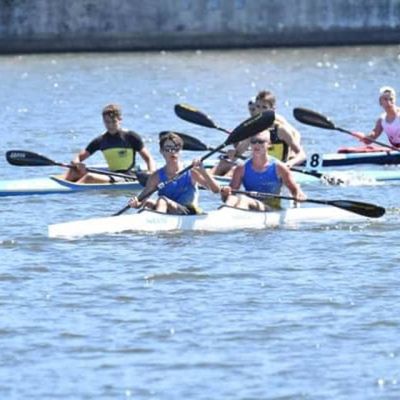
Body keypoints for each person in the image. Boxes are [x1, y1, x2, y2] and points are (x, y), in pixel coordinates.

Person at [212, 90, 306, 176]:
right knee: (223, 163)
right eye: (257, 107)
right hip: (257, 168)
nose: (260, 111)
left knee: (235, 171)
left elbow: (302, 155)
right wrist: (232, 155)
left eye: (264, 107)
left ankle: (218, 183)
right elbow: (239, 152)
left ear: (272, 109)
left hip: (275, 170)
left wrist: (290, 163)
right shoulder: (253, 129)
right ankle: (207, 181)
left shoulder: (280, 130)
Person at [128, 132, 220, 215]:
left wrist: (203, 172)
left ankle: (158, 223)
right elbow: (140, 201)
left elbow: (216, 190)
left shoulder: (192, 172)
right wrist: (135, 203)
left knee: (162, 200)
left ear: (181, 151)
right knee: (148, 202)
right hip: (169, 210)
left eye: (176, 148)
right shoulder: (156, 177)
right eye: (168, 149)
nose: (172, 152)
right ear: (161, 151)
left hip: (189, 212)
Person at [65, 104, 156, 183]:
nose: (110, 125)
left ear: (120, 120)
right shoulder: (101, 140)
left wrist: (151, 174)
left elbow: (149, 159)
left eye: (114, 122)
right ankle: (63, 188)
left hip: (128, 176)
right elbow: (78, 157)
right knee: (73, 171)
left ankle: (70, 192)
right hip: (112, 174)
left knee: (90, 177)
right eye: (107, 122)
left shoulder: (131, 137)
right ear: (103, 121)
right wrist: (77, 163)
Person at [220, 129, 306, 211]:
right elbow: (228, 197)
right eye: (253, 141)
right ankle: (223, 214)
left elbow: (295, 191)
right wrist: (225, 194)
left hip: (272, 209)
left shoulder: (279, 167)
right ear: (250, 145)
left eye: (261, 141)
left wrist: (299, 196)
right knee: (233, 198)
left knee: (242, 199)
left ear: (269, 144)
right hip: (249, 207)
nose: (256, 144)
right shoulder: (241, 168)